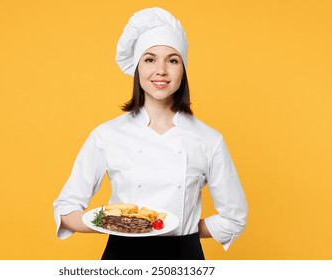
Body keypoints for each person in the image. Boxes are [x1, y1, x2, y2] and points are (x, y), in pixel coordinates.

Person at [53, 7, 248, 260]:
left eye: (173, 60)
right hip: (122, 257)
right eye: (150, 59)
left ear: (183, 70)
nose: (161, 70)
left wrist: (183, 230)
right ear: (137, 68)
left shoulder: (209, 139)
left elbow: (234, 217)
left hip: (183, 258)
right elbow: (66, 210)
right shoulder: (108, 134)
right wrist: (111, 223)